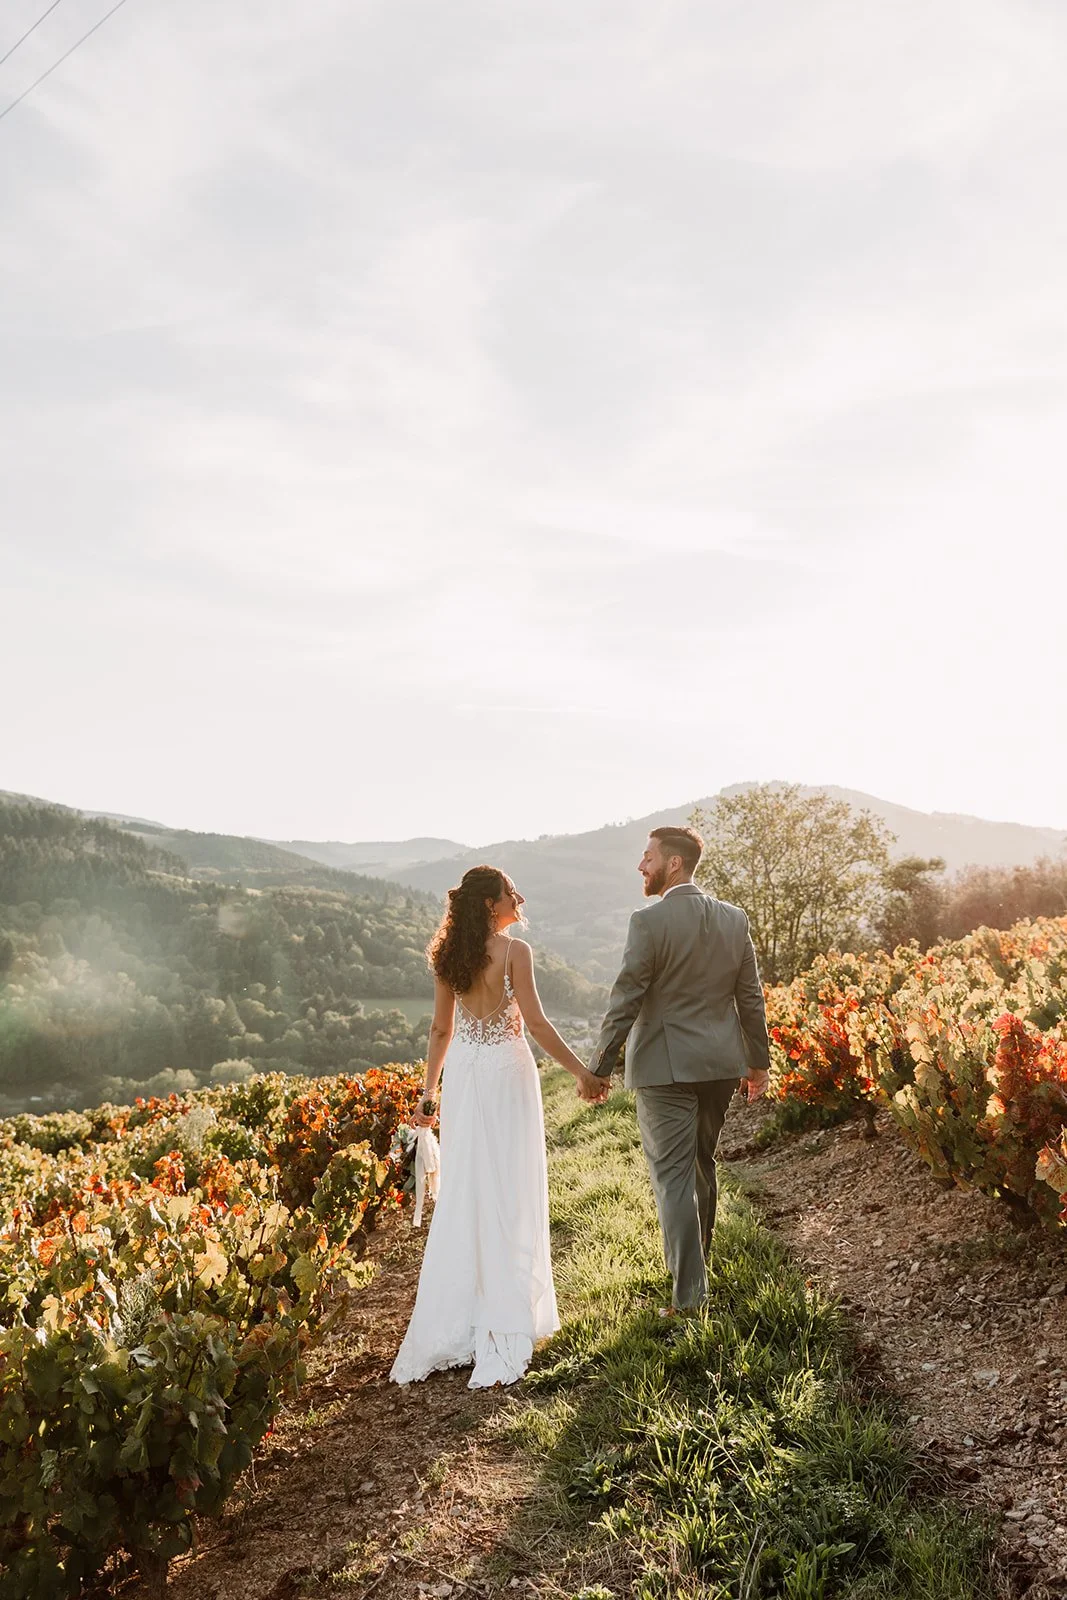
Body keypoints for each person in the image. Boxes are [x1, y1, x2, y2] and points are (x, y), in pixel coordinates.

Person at [389, 865, 604, 1388]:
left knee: (469, 1188)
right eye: (511, 892)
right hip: (508, 1070)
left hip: (465, 1072)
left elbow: (440, 1030)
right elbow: (536, 1024)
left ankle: (464, 1315)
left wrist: (428, 1095)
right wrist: (582, 1073)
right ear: (491, 903)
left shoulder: (449, 956)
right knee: (511, 1186)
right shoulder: (514, 952)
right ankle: (508, 1313)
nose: (519, 897)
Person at [587, 825, 770, 1314]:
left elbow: (626, 998)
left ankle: (689, 1298)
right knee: (701, 1168)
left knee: (673, 1180)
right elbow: (750, 997)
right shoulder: (734, 919)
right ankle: (696, 1275)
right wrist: (758, 1063)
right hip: (721, 1066)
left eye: (648, 857)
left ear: (674, 863)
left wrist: (600, 1067)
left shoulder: (648, 922)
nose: (641, 866)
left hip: (664, 1067)